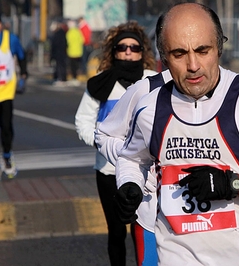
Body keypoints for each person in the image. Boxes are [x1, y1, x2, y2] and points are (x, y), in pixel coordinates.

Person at [114, 3, 239, 266]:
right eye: (179, 54)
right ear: (164, 58)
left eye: (203, 50)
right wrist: (129, 184)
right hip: (176, 257)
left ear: (219, 49)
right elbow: (132, 159)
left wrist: (232, 184)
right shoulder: (149, 106)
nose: (193, 65)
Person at [75, 20, 158, 266]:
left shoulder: (154, 81)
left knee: (144, 229)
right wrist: (108, 148)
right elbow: (83, 122)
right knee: (117, 231)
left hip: (148, 173)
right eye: (123, 47)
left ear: (143, 53)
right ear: (114, 51)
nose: (129, 52)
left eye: (135, 47)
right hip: (108, 171)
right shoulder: (100, 83)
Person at [0, 14, 27, 179]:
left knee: (6, 126)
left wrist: (23, 75)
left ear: (0, 25)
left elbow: (21, 57)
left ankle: (8, 156)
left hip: (6, 91)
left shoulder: (11, 39)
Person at [66, 19, 84, 86]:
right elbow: (82, 40)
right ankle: (76, 78)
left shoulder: (69, 33)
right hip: (78, 52)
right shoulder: (78, 31)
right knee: (77, 66)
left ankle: (74, 78)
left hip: (71, 52)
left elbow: (67, 42)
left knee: (72, 66)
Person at [50, 20, 68, 87]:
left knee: (60, 66)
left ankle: (61, 79)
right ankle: (61, 78)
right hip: (61, 53)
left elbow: (56, 45)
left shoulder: (59, 34)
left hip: (59, 53)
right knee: (60, 66)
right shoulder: (62, 33)